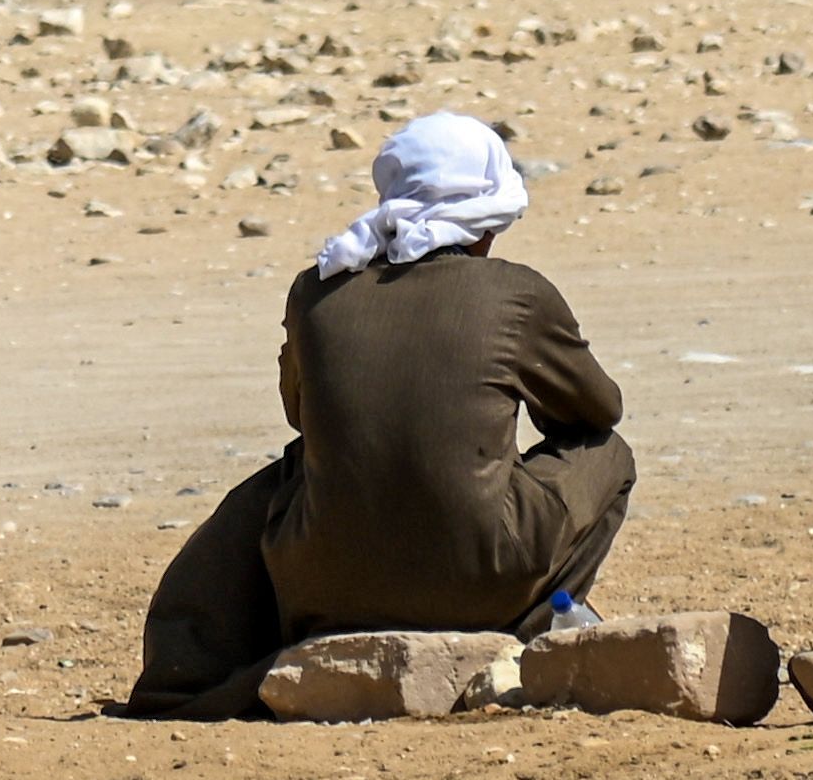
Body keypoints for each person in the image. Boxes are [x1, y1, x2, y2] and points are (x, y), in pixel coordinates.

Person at [118, 112, 635, 714]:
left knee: (293, 471)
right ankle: (529, 633)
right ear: (489, 217)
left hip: (325, 591)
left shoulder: (317, 287)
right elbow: (598, 410)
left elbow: (301, 416)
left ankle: (202, 658)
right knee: (607, 454)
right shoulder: (517, 293)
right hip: (483, 579)